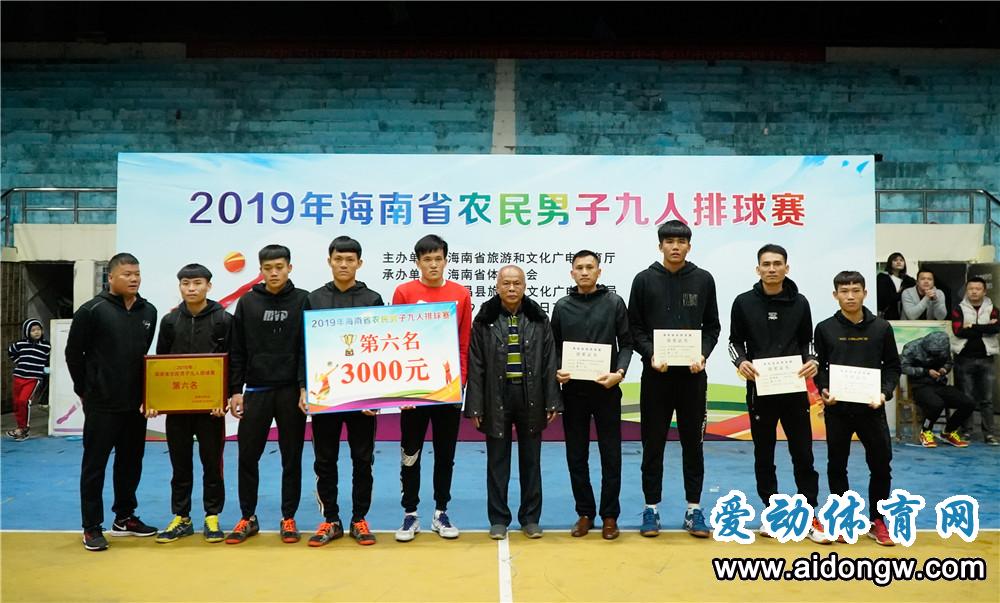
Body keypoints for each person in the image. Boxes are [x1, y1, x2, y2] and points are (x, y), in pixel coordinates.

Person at [728, 244, 829, 543]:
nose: (771, 269)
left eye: (777, 264)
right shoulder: (743, 302)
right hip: (760, 389)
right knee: (764, 453)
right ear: (757, 269)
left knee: (803, 453)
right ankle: (772, 510)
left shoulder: (800, 302)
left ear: (787, 267)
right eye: (766, 264)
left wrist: (813, 360)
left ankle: (809, 513)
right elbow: (734, 342)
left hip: (794, 389)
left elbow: (807, 341)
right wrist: (741, 361)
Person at [628, 220, 720, 539]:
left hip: (693, 378)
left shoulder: (703, 279)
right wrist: (651, 354)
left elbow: (712, 327)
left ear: (689, 246)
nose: (675, 246)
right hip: (657, 376)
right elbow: (634, 327)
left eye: (681, 242)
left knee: (693, 445)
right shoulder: (644, 280)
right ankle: (651, 508)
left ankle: (694, 509)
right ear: (660, 246)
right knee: (652, 444)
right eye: (669, 241)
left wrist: (703, 354)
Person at [66, 252, 158, 551]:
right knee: (95, 466)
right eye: (127, 274)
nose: (134, 279)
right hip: (102, 404)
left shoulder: (149, 311)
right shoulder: (91, 310)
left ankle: (124, 517)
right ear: (111, 277)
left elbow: (143, 354)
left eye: (137, 273)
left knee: (131, 463)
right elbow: (73, 354)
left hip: (135, 405)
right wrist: (85, 389)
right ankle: (91, 526)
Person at [465, 265, 561, 539]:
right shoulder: (484, 319)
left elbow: (549, 361)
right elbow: (476, 364)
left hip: (531, 395)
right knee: (497, 461)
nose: (511, 288)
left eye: (516, 283)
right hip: (496, 396)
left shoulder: (538, 318)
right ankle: (498, 519)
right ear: (497, 286)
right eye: (506, 283)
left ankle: (530, 518)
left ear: (524, 286)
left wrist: (552, 400)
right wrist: (475, 405)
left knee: (531, 461)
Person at [300, 236, 384, 546]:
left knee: (362, 459)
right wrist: (304, 387)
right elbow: (303, 347)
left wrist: (378, 394)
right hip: (326, 394)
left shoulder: (373, 299)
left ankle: (359, 518)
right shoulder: (315, 299)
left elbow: (382, 349)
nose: (344, 264)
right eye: (338, 259)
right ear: (329, 261)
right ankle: (331, 519)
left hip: (362, 395)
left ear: (360, 263)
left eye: (350, 260)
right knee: (325, 460)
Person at [225, 245, 309, 545]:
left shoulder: (304, 300)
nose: (274, 273)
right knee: (248, 456)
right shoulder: (248, 302)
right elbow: (237, 348)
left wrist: (304, 387)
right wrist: (235, 390)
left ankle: (289, 517)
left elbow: (307, 347)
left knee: (291, 457)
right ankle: (248, 516)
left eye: (279, 267)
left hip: (290, 392)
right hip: (256, 391)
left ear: (289, 268)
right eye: (268, 268)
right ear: (260, 270)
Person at [391, 234, 472, 542]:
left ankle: (441, 512)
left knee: (445, 453)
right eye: (427, 259)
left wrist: (459, 383)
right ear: (418, 262)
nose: (433, 264)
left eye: (438, 259)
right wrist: (401, 388)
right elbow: (395, 341)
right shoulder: (404, 292)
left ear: (446, 260)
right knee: (410, 452)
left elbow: (464, 343)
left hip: (447, 389)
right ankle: (410, 514)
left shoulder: (460, 294)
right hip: (413, 389)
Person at [813, 271, 901, 546]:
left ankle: (878, 520)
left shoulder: (881, 328)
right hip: (838, 409)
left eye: (855, 290)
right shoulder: (825, 328)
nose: (850, 296)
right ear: (835, 295)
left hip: (871, 408)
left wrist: (884, 393)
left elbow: (893, 367)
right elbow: (819, 368)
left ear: (865, 293)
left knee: (881, 465)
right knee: (837, 465)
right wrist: (823, 389)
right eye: (844, 291)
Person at [552, 250, 632, 540]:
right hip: (573, 392)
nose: (584, 272)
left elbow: (626, 343)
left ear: (599, 272)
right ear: (572, 273)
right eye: (579, 268)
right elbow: (554, 347)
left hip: (607, 389)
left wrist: (619, 373)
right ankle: (585, 512)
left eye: (590, 267)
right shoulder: (562, 306)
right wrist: (557, 370)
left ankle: (610, 515)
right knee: (576, 455)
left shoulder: (614, 303)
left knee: (611, 454)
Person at [149, 264, 232, 544]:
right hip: (177, 408)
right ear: (180, 287)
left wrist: (225, 397)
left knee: (212, 463)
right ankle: (181, 517)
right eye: (186, 283)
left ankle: (212, 516)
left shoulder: (223, 319)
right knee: (180, 464)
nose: (192, 288)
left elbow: (233, 361)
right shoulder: (170, 321)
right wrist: (156, 400)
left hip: (211, 409)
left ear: (209, 285)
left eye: (197, 283)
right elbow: (160, 364)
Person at [901, 332, 975, 448]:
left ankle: (948, 432)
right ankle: (925, 431)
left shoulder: (944, 347)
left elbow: (949, 362)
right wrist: (926, 372)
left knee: (968, 403)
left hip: (939, 384)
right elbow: (903, 367)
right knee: (936, 404)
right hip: (919, 386)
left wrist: (944, 369)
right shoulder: (911, 347)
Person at [951, 276, 999, 445]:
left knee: (987, 399)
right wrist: (985, 328)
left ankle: (989, 434)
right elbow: (958, 331)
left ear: (984, 291)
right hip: (964, 358)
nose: (974, 292)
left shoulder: (993, 308)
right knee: (966, 398)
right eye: (971, 289)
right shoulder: (959, 308)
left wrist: (972, 326)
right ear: (966, 290)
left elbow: (996, 328)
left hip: (986, 358)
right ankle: (966, 431)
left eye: (978, 289)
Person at [6, 318, 51, 441]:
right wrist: (18, 362)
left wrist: (44, 369)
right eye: (33, 330)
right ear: (27, 332)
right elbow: (10, 352)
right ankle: (20, 427)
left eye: (38, 329)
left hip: (33, 378)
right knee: (17, 403)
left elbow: (47, 360)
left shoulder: (46, 346)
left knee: (23, 401)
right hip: (18, 377)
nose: (36, 332)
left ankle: (24, 428)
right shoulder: (20, 344)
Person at [875, 252, 916, 320]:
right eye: (895, 260)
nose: (898, 262)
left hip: (904, 315)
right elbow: (884, 298)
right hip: (887, 315)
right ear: (890, 263)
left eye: (901, 260)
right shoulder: (882, 277)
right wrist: (899, 294)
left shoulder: (908, 280)